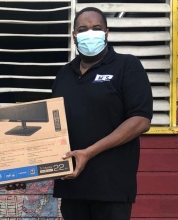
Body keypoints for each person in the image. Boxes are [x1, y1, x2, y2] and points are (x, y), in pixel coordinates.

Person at [51, 7, 153, 220]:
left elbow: (141, 119)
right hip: (72, 186)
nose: (90, 33)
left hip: (111, 189)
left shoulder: (127, 66)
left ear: (106, 33)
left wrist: (89, 152)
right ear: (74, 36)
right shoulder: (64, 74)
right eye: (83, 29)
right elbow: (52, 123)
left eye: (96, 28)